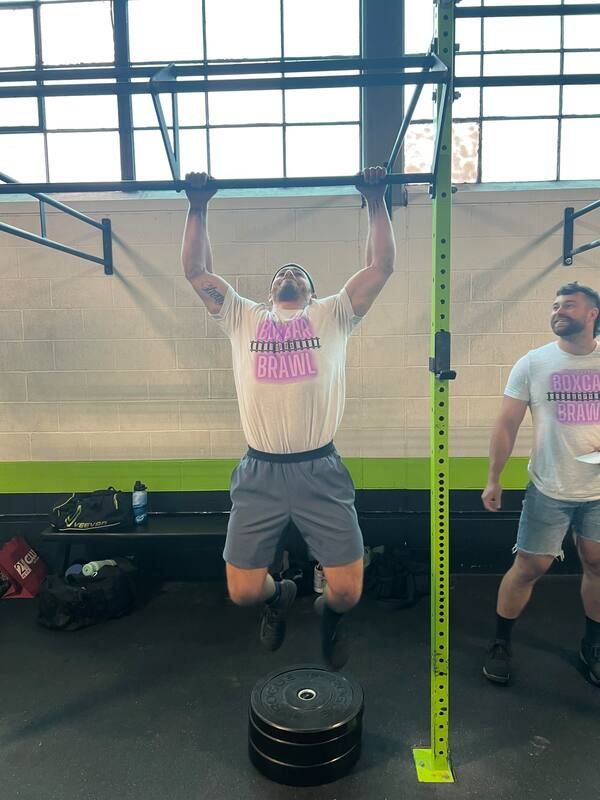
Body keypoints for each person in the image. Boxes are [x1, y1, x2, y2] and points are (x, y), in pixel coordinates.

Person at [181, 166, 395, 669]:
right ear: (268, 289)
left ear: (313, 291)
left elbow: (381, 266)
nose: (288, 275)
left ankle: (331, 618)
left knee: (347, 591)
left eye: (298, 273)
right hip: (260, 470)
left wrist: (376, 198)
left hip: (319, 467)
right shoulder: (243, 317)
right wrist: (198, 204)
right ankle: (281, 597)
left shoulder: (333, 314)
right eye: (281, 273)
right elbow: (195, 272)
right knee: (243, 591)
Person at [481, 282, 600, 686]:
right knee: (531, 566)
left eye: (569, 304)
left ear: (591, 314)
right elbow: (507, 423)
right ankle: (500, 641)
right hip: (549, 487)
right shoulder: (533, 363)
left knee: (597, 563)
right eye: (555, 305)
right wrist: (493, 477)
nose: (559, 310)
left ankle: (594, 645)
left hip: (599, 493)